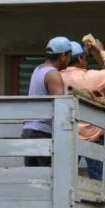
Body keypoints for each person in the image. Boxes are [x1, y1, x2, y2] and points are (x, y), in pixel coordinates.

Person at [61, 37, 105, 179]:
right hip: (92, 136)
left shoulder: (57, 78)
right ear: (81, 58)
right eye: (85, 58)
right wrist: (101, 51)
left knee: (65, 177)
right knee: (98, 180)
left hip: (69, 135)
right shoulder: (90, 77)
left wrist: (85, 51)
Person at [21, 36, 72, 167]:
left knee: (35, 180)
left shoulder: (38, 69)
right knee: (52, 179)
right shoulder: (53, 74)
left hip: (29, 131)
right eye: (69, 56)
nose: (69, 60)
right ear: (63, 56)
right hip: (42, 133)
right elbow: (61, 109)